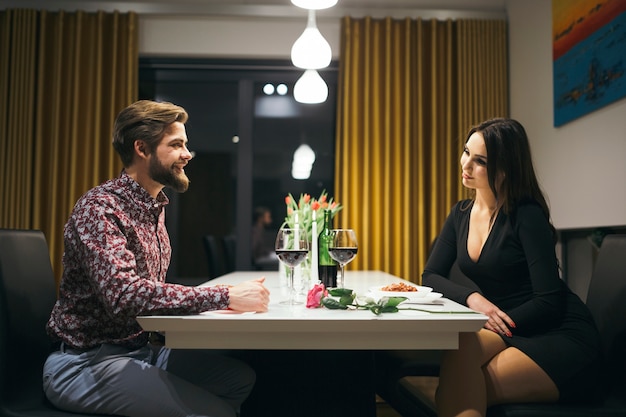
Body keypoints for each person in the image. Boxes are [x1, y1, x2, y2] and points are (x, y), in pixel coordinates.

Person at [43, 100, 270, 417]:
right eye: (176, 144)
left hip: (138, 350)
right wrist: (225, 296)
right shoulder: (100, 208)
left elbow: (147, 292)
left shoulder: (155, 208)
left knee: (238, 380)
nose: (187, 154)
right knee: (216, 412)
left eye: (185, 144)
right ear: (141, 148)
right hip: (83, 362)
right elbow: (124, 295)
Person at [422, 118, 602, 417]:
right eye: (466, 152)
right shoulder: (461, 214)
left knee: (456, 390)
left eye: (480, 161)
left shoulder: (526, 214)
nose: (466, 165)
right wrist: (472, 299)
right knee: (461, 349)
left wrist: (489, 322)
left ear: (504, 169)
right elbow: (431, 275)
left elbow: (549, 301)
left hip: (557, 334)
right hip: (506, 325)